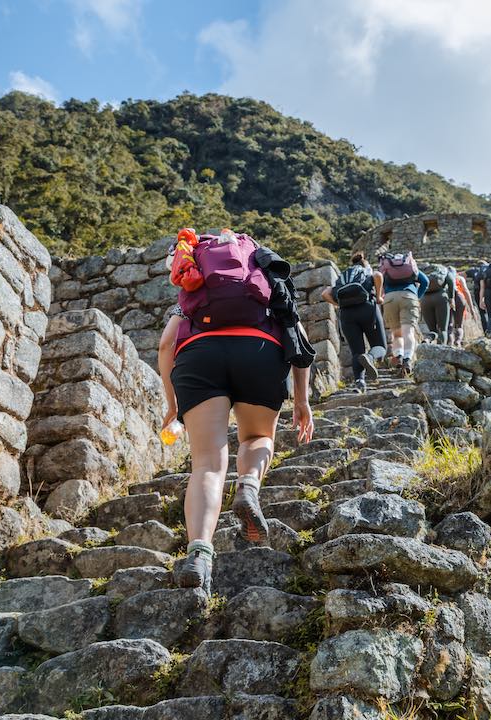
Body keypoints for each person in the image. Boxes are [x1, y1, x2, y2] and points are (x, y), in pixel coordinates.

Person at [158, 228, 314, 595]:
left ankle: (199, 553)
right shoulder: (264, 276)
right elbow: (297, 334)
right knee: (257, 436)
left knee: (208, 464)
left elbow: (166, 344)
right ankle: (248, 487)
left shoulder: (195, 294)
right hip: (259, 352)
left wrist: (172, 405)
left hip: (200, 355)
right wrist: (303, 401)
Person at [323, 252, 387, 393]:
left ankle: (360, 383)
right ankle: (369, 357)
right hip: (367, 308)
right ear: (365, 263)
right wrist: (378, 297)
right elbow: (378, 275)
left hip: (347, 314)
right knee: (380, 346)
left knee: (356, 352)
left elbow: (325, 293)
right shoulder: (366, 270)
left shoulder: (344, 276)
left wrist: (338, 304)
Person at [379, 251, 429, 376]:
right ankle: (407, 359)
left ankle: (399, 357)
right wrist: (416, 296)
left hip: (390, 299)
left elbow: (380, 283)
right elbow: (425, 281)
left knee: (396, 333)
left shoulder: (387, 267)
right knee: (408, 331)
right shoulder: (409, 266)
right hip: (409, 296)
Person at [420, 262, 454, 345]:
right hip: (441, 297)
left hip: (425, 300)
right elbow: (451, 282)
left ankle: (428, 340)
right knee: (443, 329)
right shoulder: (444, 271)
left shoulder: (423, 273)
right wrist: (451, 298)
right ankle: (442, 349)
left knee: (432, 330)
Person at [467, 261, 490, 334]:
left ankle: (487, 331)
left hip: (478, 292)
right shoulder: (490, 270)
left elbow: (460, 275)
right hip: (490, 291)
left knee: (482, 313)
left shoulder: (474, 271)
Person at [451, 267, 471, 346]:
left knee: (449, 324)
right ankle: (458, 341)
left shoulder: (445, 278)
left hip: (448, 300)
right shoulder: (460, 278)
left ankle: (449, 343)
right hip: (460, 299)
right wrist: (471, 307)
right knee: (459, 325)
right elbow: (465, 291)